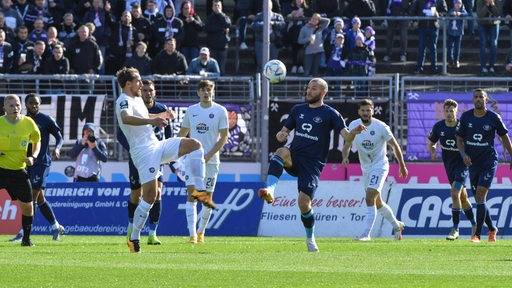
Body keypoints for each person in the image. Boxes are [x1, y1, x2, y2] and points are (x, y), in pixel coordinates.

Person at [257, 78, 365, 252]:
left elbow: (346, 137)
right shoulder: (297, 109)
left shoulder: (330, 113)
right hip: (296, 155)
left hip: (313, 163)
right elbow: (285, 130)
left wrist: (353, 132)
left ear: (323, 92)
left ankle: (310, 238)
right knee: (281, 152)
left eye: (314, 89)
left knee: (303, 203)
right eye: (308, 88)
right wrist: (281, 134)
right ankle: (270, 190)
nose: (309, 91)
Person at [115, 66, 215, 253]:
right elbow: (126, 118)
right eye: (138, 81)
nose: (141, 84)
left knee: (195, 145)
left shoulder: (137, 99)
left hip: (156, 145)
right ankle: (134, 237)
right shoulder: (123, 100)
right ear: (128, 84)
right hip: (143, 153)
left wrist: (160, 116)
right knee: (150, 197)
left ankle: (199, 190)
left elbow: (144, 116)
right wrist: (152, 121)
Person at [341, 99, 407, 241]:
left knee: (370, 197)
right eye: (363, 110)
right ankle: (397, 225)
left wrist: (402, 165)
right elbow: (347, 144)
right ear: (359, 112)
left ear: (373, 110)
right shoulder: (353, 125)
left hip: (380, 165)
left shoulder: (381, 127)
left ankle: (366, 234)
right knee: (377, 203)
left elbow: (395, 146)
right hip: (366, 168)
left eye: (368, 110)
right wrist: (345, 157)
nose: (366, 113)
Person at [117, 79, 172, 245]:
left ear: (154, 92)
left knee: (157, 193)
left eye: (151, 90)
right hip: (138, 156)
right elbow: (121, 134)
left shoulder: (161, 108)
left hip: (155, 154)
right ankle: (131, 227)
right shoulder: (133, 105)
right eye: (145, 89)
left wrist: (167, 152)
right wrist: (133, 150)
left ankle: (152, 233)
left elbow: (168, 131)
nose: (147, 92)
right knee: (136, 194)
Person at [456, 89, 512, 242]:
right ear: (473, 100)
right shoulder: (466, 117)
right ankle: (492, 228)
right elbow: (459, 139)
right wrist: (463, 155)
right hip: (472, 162)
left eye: (481, 97)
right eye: (476, 97)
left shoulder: (493, 117)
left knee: (480, 194)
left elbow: (504, 137)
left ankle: (477, 235)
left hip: (488, 161)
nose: (478, 99)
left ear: (486, 100)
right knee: (479, 200)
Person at [176, 80, 228, 244]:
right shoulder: (192, 111)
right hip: (193, 159)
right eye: (203, 90)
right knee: (192, 196)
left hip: (211, 161)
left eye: (209, 89)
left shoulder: (220, 111)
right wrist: (171, 151)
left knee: (206, 199)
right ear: (198, 92)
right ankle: (192, 234)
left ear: (213, 91)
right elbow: (182, 134)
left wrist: (209, 155)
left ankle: (201, 232)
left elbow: (224, 137)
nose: (206, 93)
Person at [9, 93, 65, 243]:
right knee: (40, 198)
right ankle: (55, 226)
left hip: (42, 162)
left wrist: (58, 148)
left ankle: (23, 233)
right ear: (25, 105)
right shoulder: (23, 121)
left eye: (37, 103)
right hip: (27, 164)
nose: (34, 106)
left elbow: (59, 137)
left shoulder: (45, 120)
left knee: (31, 197)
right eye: (31, 103)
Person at [427, 99, 477, 240]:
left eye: (452, 111)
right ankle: (474, 224)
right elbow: (431, 143)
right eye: (447, 111)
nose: (449, 114)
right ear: (443, 112)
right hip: (449, 165)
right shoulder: (438, 127)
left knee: (455, 193)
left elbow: (472, 142)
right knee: (462, 197)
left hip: (463, 164)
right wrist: (432, 151)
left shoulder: (463, 127)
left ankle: (455, 229)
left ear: (456, 112)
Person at [0, 94, 41, 247]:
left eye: (17, 105)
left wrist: (33, 157)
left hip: (19, 171)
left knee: (28, 207)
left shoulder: (28, 123)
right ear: (4, 108)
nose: (15, 108)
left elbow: (37, 140)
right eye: (11, 105)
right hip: (1, 169)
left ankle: (26, 239)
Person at [410, 0, 447, 74]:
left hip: (434, 26)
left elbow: (445, 11)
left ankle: (434, 68)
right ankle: (419, 68)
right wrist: (415, 20)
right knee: (421, 47)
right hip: (422, 26)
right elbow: (413, 10)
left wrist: (438, 14)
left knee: (433, 47)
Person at [251, 0, 286, 72]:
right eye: (265, 5)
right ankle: (260, 80)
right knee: (261, 63)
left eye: (268, 5)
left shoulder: (277, 16)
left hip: (274, 43)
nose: (267, 7)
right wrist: (264, 24)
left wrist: (273, 23)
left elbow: (283, 24)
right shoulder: (259, 16)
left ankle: (271, 81)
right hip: (260, 42)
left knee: (273, 64)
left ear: (271, 6)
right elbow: (253, 25)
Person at [204, 0, 231, 75]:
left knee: (222, 68)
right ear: (212, 7)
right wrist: (220, 28)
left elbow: (227, 24)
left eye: (218, 6)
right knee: (213, 68)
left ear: (221, 7)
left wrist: (220, 15)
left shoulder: (225, 17)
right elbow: (207, 28)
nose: (217, 7)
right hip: (212, 47)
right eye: (215, 6)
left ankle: (221, 85)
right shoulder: (209, 18)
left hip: (223, 47)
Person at [476, 0, 501, 75]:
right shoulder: (480, 1)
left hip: (494, 24)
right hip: (482, 24)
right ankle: (483, 67)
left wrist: (492, 5)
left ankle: (491, 66)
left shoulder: (498, 1)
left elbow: (498, 13)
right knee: (483, 44)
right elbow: (480, 14)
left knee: (493, 44)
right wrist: (486, 5)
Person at [447, 0, 467, 69]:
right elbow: (447, 16)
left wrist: (460, 14)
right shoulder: (451, 10)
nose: (457, 5)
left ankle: (456, 60)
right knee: (450, 47)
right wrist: (451, 14)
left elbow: (466, 16)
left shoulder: (463, 11)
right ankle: (450, 60)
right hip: (451, 32)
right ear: (454, 4)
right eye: (456, 3)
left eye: (459, 3)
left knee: (457, 47)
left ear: (461, 4)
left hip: (458, 33)